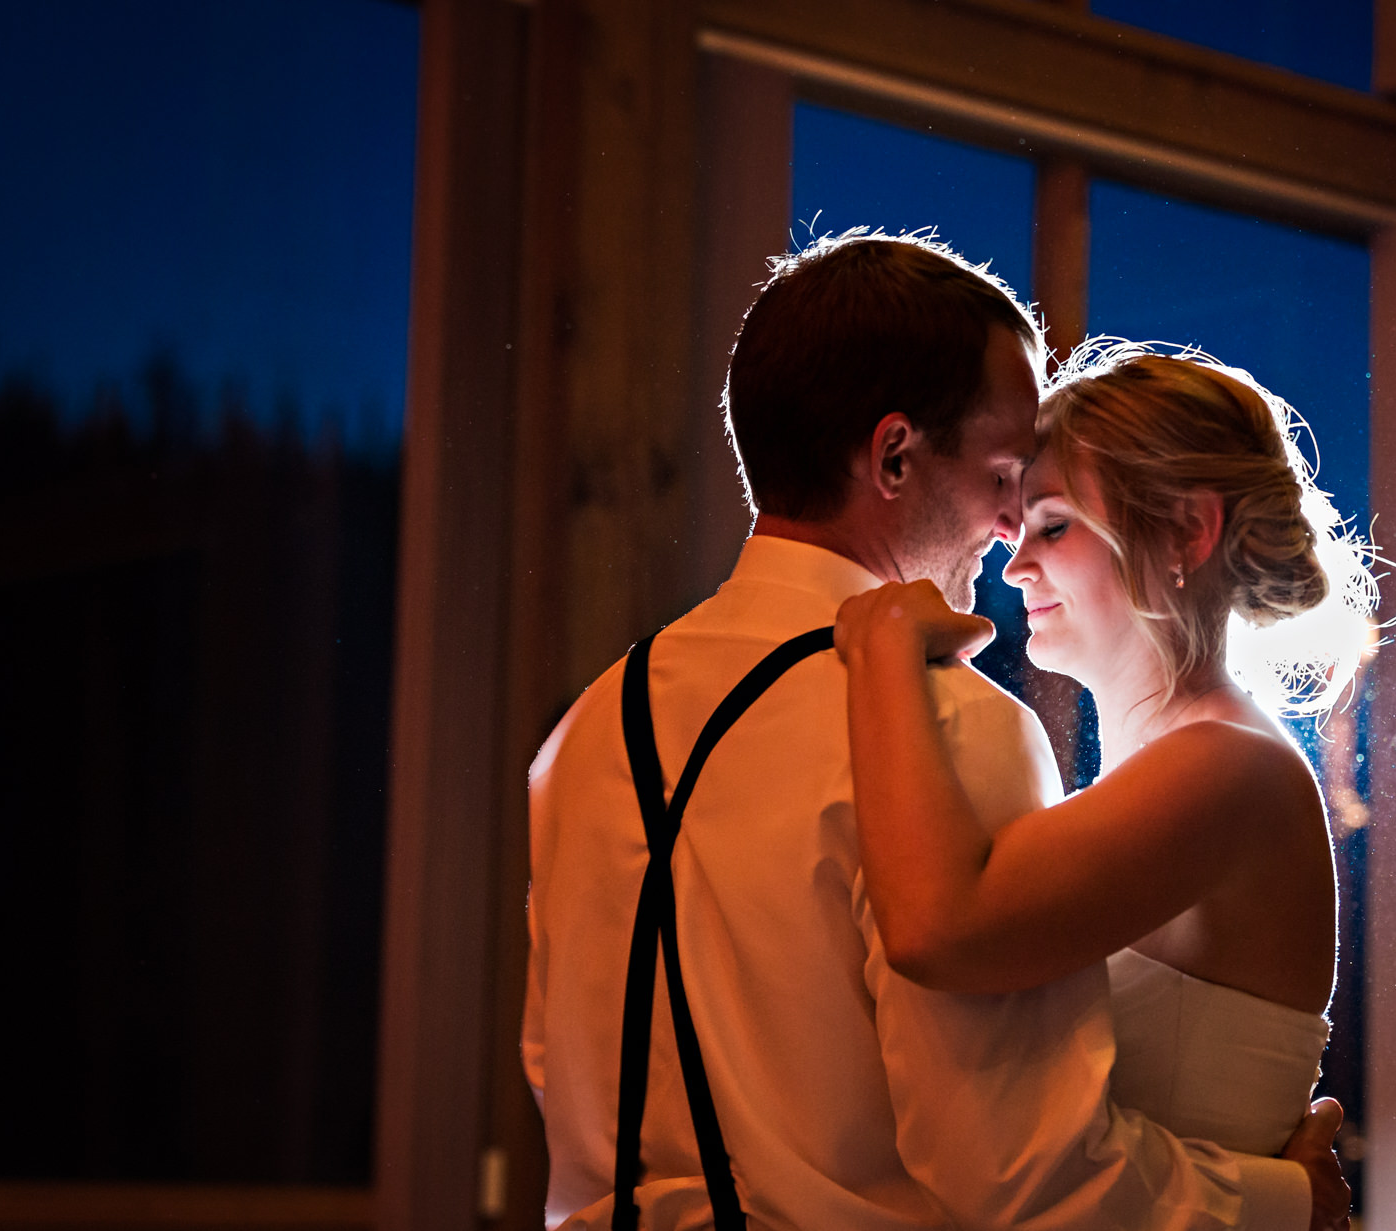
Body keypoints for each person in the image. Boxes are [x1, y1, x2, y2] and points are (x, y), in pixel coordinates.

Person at [522, 234, 1351, 1230]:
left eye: (1045, 515)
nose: (1008, 537)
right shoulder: (949, 725)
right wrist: (1286, 1204)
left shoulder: (588, 731)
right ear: (894, 455)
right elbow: (1012, 1166)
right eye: (1008, 479)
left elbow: (555, 1069)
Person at [835, 343, 1377, 1157]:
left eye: (1053, 525)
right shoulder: (1175, 765)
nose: (1015, 566)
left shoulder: (1233, 767)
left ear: (1188, 532)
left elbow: (938, 932)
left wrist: (883, 654)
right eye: (1019, 528)